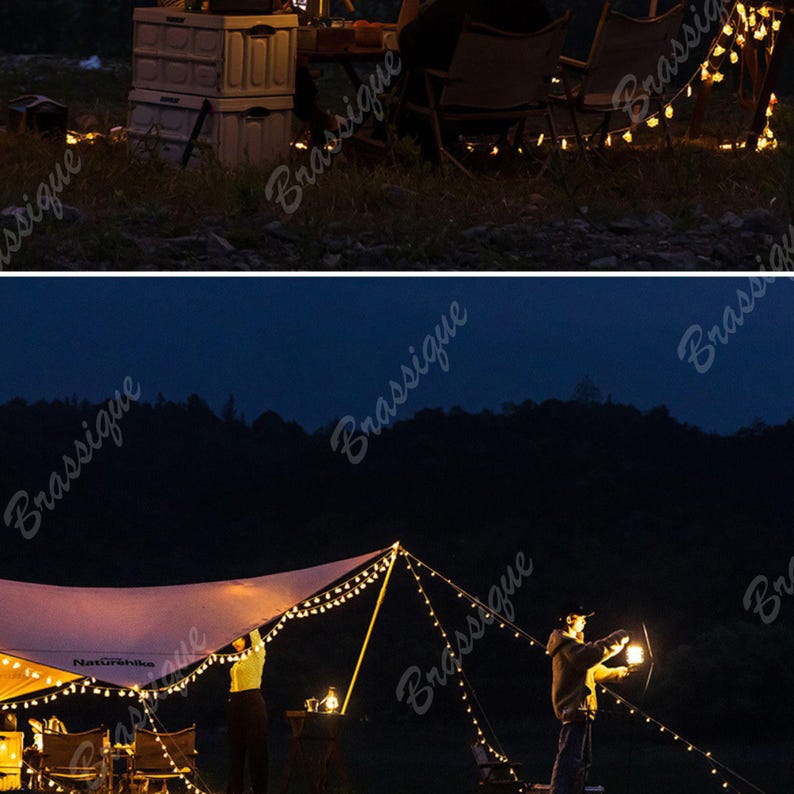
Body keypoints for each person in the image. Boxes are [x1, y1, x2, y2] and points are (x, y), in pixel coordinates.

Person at [396, 0, 553, 159]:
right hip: (514, 112)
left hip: (459, 114)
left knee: (408, 76)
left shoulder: (450, 9)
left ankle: (391, 137)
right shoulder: (535, 10)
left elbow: (406, 47)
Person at [546, 604, 629, 794]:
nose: (584, 621)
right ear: (569, 619)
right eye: (581, 618)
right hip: (574, 711)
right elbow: (590, 656)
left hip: (583, 712)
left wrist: (619, 673)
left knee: (581, 763)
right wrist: (618, 638)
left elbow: (591, 671)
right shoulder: (567, 645)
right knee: (569, 762)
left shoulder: (574, 647)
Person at [227, 628, 268, 794]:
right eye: (233, 640)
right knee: (236, 751)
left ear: (247, 639)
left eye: (239, 639)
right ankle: (235, 790)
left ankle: (259, 790)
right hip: (234, 703)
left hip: (252, 702)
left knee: (256, 750)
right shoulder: (237, 661)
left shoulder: (257, 654)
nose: (235, 643)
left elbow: (254, 631)